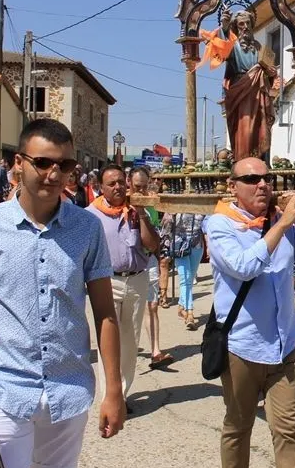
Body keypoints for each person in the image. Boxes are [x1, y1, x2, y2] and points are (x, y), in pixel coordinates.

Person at [0, 119, 125, 468]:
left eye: (64, 165)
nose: (53, 173)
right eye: (42, 162)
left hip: (67, 387)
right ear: (18, 164)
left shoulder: (87, 228)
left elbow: (105, 312)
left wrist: (114, 390)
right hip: (4, 387)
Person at [204, 157, 295, 468]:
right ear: (233, 186)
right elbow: (245, 267)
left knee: (288, 430)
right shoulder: (221, 224)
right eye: (252, 179)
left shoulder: (283, 222)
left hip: (284, 345)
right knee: (239, 425)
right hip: (241, 348)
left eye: (267, 178)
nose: (262, 185)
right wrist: (284, 222)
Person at [87, 164, 160, 407]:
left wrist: (140, 215)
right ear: (101, 187)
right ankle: (109, 396)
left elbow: (153, 246)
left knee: (130, 341)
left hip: (136, 280)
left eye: (121, 181)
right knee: (107, 341)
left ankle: (123, 394)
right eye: (111, 183)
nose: (118, 187)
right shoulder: (90, 216)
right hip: (106, 282)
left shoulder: (137, 211)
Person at [199, 6, 278, 161]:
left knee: (260, 129)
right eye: (241, 24)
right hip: (240, 91)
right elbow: (222, 48)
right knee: (244, 129)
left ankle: (260, 161)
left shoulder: (259, 47)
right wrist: (225, 27)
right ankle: (243, 161)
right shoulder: (233, 47)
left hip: (258, 93)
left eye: (248, 23)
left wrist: (270, 72)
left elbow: (271, 72)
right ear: (236, 27)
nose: (245, 27)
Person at [129, 167, 174, 369]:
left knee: (152, 306)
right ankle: (128, 351)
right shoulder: (123, 203)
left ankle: (155, 351)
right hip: (129, 265)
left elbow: (156, 232)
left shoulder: (152, 203)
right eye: (137, 186)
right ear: (129, 183)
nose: (140, 191)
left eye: (144, 186)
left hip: (149, 261)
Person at [164, 211, 206, 330]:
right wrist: (171, 215)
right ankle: (190, 313)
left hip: (197, 245)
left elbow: (208, 224)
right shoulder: (177, 205)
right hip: (180, 245)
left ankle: (182, 306)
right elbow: (166, 226)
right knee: (186, 279)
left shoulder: (202, 204)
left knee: (190, 278)